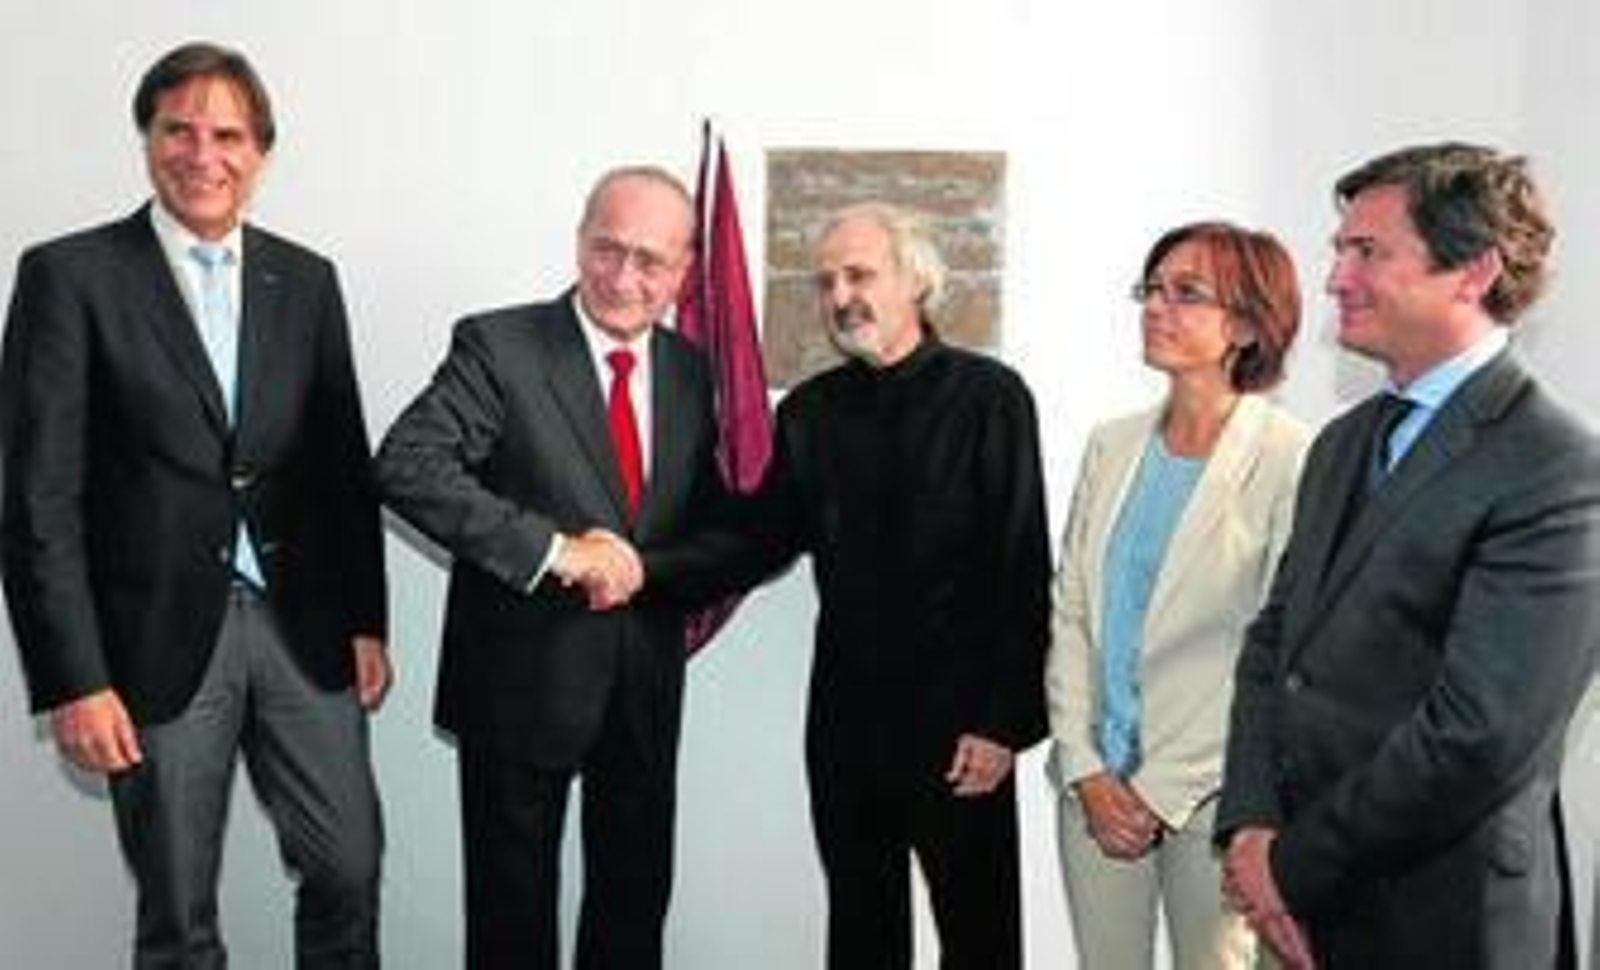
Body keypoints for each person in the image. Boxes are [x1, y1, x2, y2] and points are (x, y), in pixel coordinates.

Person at [0, 41, 389, 967]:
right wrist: (72, 677)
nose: (202, 154)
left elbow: (341, 465)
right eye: (179, 130)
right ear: (148, 140)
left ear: (260, 152)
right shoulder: (70, 274)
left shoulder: (307, 279)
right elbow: (35, 494)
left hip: (302, 629)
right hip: (152, 638)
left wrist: (367, 621)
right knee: (178, 911)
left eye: (228, 134)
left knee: (350, 867)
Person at [1216, 142, 1600, 969]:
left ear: (1473, 271)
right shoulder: (1342, 444)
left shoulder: (1557, 467)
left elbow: (1478, 735)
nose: (1335, 279)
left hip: (1445, 922)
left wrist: (1290, 867)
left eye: (1369, 252)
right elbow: (1273, 647)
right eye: (1339, 250)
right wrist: (1250, 827)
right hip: (1307, 907)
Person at [646, 201, 1051, 969]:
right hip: (846, 728)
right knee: (860, 936)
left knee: (981, 937)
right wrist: (643, 567)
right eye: (826, 281)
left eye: (859, 274)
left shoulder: (990, 398)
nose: (840, 296)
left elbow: (1021, 568)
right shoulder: (810, 412)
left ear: (915, 280)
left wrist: (1002, 723)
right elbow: (752, 542)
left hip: (963, 729)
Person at [374, 165, 720, 969]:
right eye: (607, 249)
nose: (623, 278)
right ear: (579, 240)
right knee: (510, 921)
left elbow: (696, 521)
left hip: (643, 687)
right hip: (519, 686)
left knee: (633, 906)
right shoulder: (500, 346)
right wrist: (557, 552)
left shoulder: (692, 372)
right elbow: (407, 463)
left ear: (683, 272)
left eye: (650, 261)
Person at [1045, 221, 1307, 969]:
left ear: (1250, 324)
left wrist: (1156, 791)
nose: (1156, 306)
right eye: (1150, 289)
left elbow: (1275, 647)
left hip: (1218, 796)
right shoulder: (1112, 444)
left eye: (1185, 293)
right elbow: (1071, 614)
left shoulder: (1293, 457)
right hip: (1093, 786)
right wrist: (1084, 766)